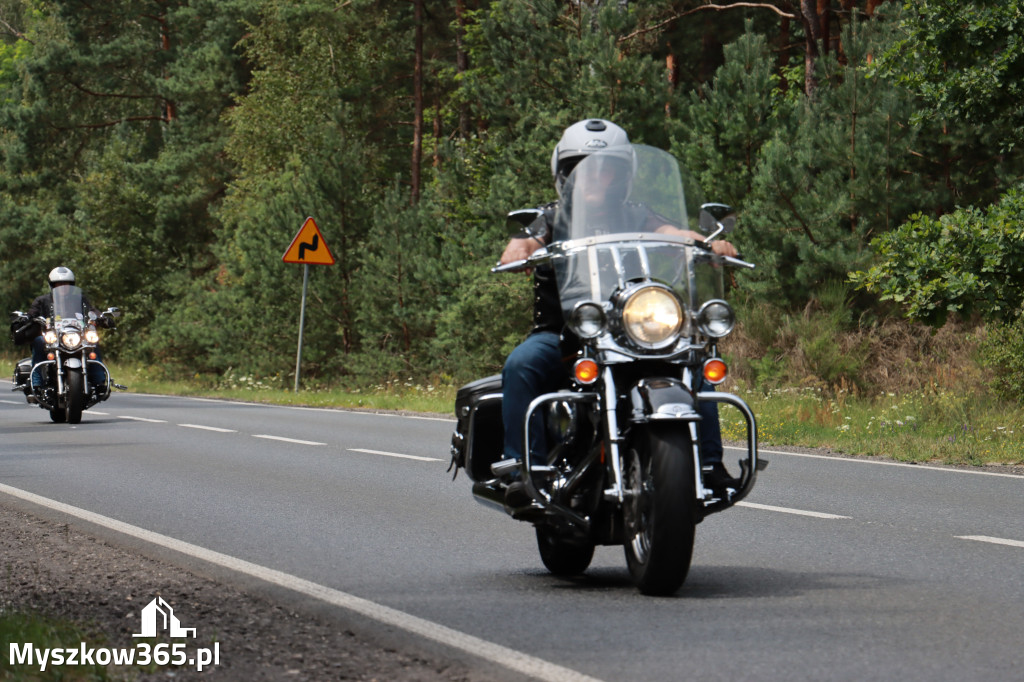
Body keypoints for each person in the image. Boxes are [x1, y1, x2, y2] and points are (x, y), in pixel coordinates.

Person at [498, 119, 740, 500]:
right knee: (521, 364)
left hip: (631, 328)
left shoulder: (637, 213)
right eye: (584, 169)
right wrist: (520, 250)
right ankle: (522, 469)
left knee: (693, 361)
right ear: (564, 174)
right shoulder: (549, 217)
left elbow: (673, 233)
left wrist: (707, 244)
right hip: (565, 332)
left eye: (608, 169)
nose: (597, 178)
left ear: (623, 174)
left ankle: (709, 464)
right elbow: (521, 243)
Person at [27, 266, 111, 392]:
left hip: (75, 335)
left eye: (66, 284)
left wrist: (101, 317)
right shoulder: (42, 300)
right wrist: (26, 318)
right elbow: (32, 313)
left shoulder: (80, 299)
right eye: (59, 284)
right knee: (39, 341)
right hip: (53, 336)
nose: (63, 287)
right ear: (52, 286)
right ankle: (36, 383)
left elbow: (91, 310)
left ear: (71, 285)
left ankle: (99, 381)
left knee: (93, 342)